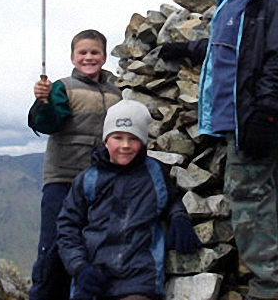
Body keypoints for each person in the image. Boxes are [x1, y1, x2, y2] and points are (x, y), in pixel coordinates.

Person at [159, 0, 278, 300]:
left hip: (253, 126)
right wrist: (189, 50)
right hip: (238, 124)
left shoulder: (271, 7)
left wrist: (265, 115)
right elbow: (225, 52)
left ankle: (269, 291)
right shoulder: (228, 5)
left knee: (250, 213)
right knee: (273, 210)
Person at [57, 99, 201, 300]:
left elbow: (170, 199)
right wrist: (80, 267)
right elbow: (67, 227)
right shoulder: (87, 179)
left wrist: (179, 217)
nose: (125, 145)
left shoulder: (156, 173)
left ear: (143, 141)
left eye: (133, 138)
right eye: (117, 137)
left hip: (140, 282)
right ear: (106, 140)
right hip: (93, 281)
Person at [28, 29, 122, 300]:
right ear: (72, 57)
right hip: (63, 179)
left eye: (95, 52)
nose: (88, 57)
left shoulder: (115, 93)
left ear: (104, 57)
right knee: (54, 247)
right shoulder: (61, 87)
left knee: (89, 246)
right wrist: (42, 102)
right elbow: (47, 124)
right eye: (83, 52)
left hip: (99, 182)